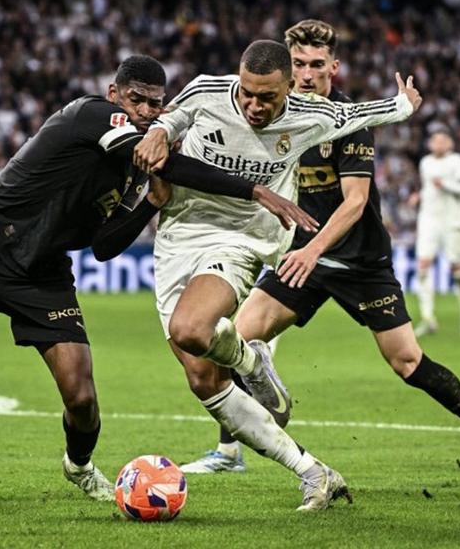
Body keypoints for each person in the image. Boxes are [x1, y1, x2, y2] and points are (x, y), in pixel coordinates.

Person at [0, 55, 317, 503]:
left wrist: (153, 203)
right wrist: (255, 190)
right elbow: (167, 164)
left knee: (80, 396)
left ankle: (78, 466)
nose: (146, 111)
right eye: (137, 100)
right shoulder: (93, 114)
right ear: (115, 94)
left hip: (45, 270)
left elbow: (103, 246)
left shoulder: (134, 168)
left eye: (155, 104)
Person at [177, 20, 460, 478]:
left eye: (316, 64)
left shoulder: (348, 120)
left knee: (407, 362)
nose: (307, 74)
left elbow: (355, 203)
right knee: (234, 342)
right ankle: (229, 451)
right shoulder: (272, 115)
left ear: (333, 67)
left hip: (360, 262)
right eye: (298, 64)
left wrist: (312, 250)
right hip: (300, 257)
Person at [133, 39, 422, 511]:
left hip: (243, 238)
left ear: (289, 88)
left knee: (190, 329)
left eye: (267, 97)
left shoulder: (312, 115)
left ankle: (248, 361)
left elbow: (360, 115)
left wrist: (403, 105)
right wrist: (159, 133)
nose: (254, 105)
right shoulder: (207, 91)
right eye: (247, 93)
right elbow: (172, 119)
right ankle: (313, 471)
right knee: (203, 380)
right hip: (178, 237)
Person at [414, 129, 460, 338]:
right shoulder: (425, 163)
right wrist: (419, 196)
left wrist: (446, 185)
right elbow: (429, 188)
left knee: (457, 270)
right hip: (428, 220)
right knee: (423, 266)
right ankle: (428, 319)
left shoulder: (458, 162)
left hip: (453, 221)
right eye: (434, 140)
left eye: (442, 140)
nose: (437, 143)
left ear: (450, 144)